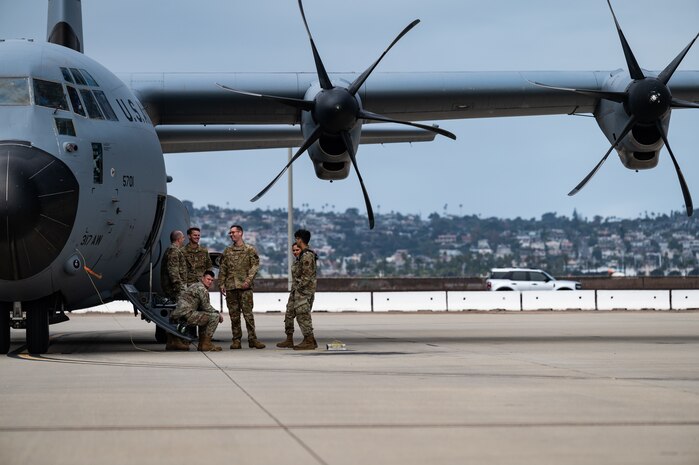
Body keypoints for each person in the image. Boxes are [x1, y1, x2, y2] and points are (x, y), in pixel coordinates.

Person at [218, 224, 265, 349]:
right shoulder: (227, 251)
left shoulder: (250, 250)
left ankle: (252, 339)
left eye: (234, 232)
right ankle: (236, 340)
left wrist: (248, 281)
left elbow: (255, 267)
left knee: (248, 315)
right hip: (231, 287)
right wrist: (221, 283)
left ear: (241, 233)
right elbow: (223, 269)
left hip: (245, 287)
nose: (232, 235)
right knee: (234, 315)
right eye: (230, 233)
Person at [277, 229, 318, 350]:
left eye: (297, 238)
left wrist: (299, 288)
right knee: (289, 313)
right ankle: (289, 339)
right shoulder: (302, 256)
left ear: (300, 239)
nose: (296, 241)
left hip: (303, 291)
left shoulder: (307, 255)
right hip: (297, 290)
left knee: (303, 315)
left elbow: (307, 276)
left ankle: (309, 340)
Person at [171, 270, 223, 352]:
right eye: (208, 279)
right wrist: (218, 313)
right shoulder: (202, 289)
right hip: (185, 315)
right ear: (203, 278)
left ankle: (202, 344)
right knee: (214, 317)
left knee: (205, 316)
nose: (210, 282)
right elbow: (206, 306)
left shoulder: (195, 285)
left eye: (211, 280)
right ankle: (206, 344)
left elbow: (203, 308)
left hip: (179, 315)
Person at [161, 230, 189, 351]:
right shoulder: (174, 251)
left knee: (177, 313)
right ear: (178, 239)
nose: (184, 239)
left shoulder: (174, 250)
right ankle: (175, 340)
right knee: (177, 314)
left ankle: (175, 340)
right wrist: (180, 288)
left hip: (175, 288)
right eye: (183, 237)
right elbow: (173, 272)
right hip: (175, 289)